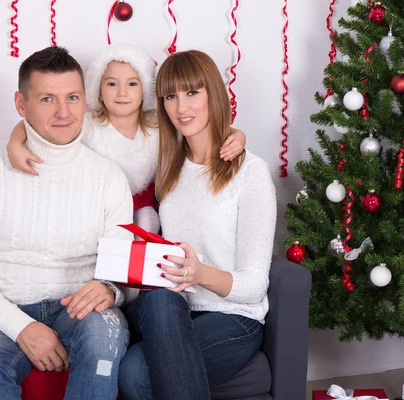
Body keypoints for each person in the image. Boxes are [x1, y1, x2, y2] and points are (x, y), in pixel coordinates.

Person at [0, 46, 134, 400]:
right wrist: (22, 327)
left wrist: (110, 288)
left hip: (79, 309)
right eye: (47, 99)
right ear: (21, 104)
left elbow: (120, 272)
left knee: (104, 343)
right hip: (0, 308)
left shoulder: (108, 177)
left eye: (73, 97)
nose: (64, 112)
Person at [118, 50, 277, 400]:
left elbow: (253, 285)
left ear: (213, 95)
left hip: (233, 317)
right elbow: (96, 131)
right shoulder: (169, 168)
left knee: (136, 376)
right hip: (175, 311)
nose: (181, 107)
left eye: (192, 92)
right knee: (158, 300)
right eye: (171, 96)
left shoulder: (250, 173)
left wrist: (198, 273)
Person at [7, 44, 246, 235]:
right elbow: (41, 125)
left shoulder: (158, 128)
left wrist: (237, 135)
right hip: (99, 211)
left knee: (148, 221)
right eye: (111, 84)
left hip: (145, 212)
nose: (122, 93)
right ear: (98, 91)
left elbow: (200, 130)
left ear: (145, 91)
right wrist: (15, 143)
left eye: (132, 84)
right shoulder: (90, 125)